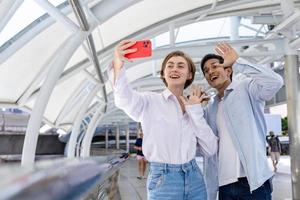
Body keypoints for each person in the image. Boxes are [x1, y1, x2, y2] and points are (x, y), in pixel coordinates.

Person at [109, 39, 218, 200]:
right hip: (164, 179)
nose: (174, 69)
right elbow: (123, 99)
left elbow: (211, 149)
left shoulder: (194, 107)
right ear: (163, 73)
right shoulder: (149, 101)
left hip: (194, 177)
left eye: (181, 66)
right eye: (170, 65)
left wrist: (195, 110)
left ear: (189, 75)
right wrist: (118, 63)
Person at [200, 43, 283, 200]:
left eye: (214, 66)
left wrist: (238, 62)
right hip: (224, 184)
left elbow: (275, 82)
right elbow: (206, 145)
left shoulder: (246, 88)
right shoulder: (211, 107)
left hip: (254, 182)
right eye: (206, 71)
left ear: (228, 69)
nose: (210, 71)